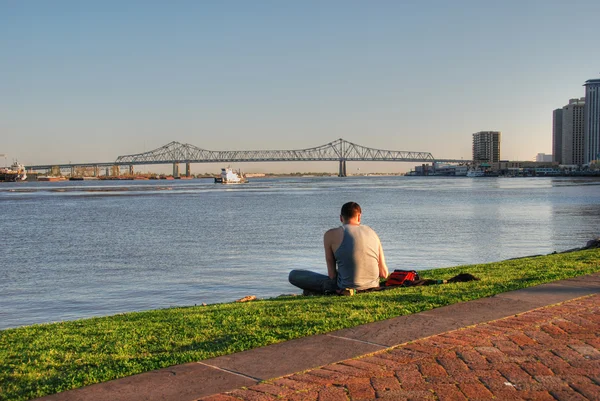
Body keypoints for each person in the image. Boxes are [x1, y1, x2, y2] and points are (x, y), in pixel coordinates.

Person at [289, 202, 389, 295]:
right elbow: (384, 273)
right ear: (359, 217)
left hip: (344, 287)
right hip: (373, 286)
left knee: (293, 275)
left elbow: (331, 275)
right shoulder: (372, 233)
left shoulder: (330, 234)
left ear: (341, 218)